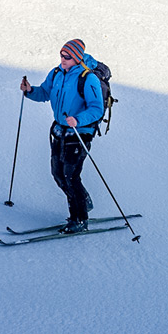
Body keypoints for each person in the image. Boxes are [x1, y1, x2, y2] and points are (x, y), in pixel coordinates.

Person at [20, 39, 104, 233]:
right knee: (58, 174)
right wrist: (30, 90)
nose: (63, 59)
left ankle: (80, 219)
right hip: (59, 131)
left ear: (76, 58)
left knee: (71, 176)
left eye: (67, 56)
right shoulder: (57, 73)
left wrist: (78, 119)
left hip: (79, 134)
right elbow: (44, 93)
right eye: (61, 55)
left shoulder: (87, 78)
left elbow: (96, 109)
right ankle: (82, 201)